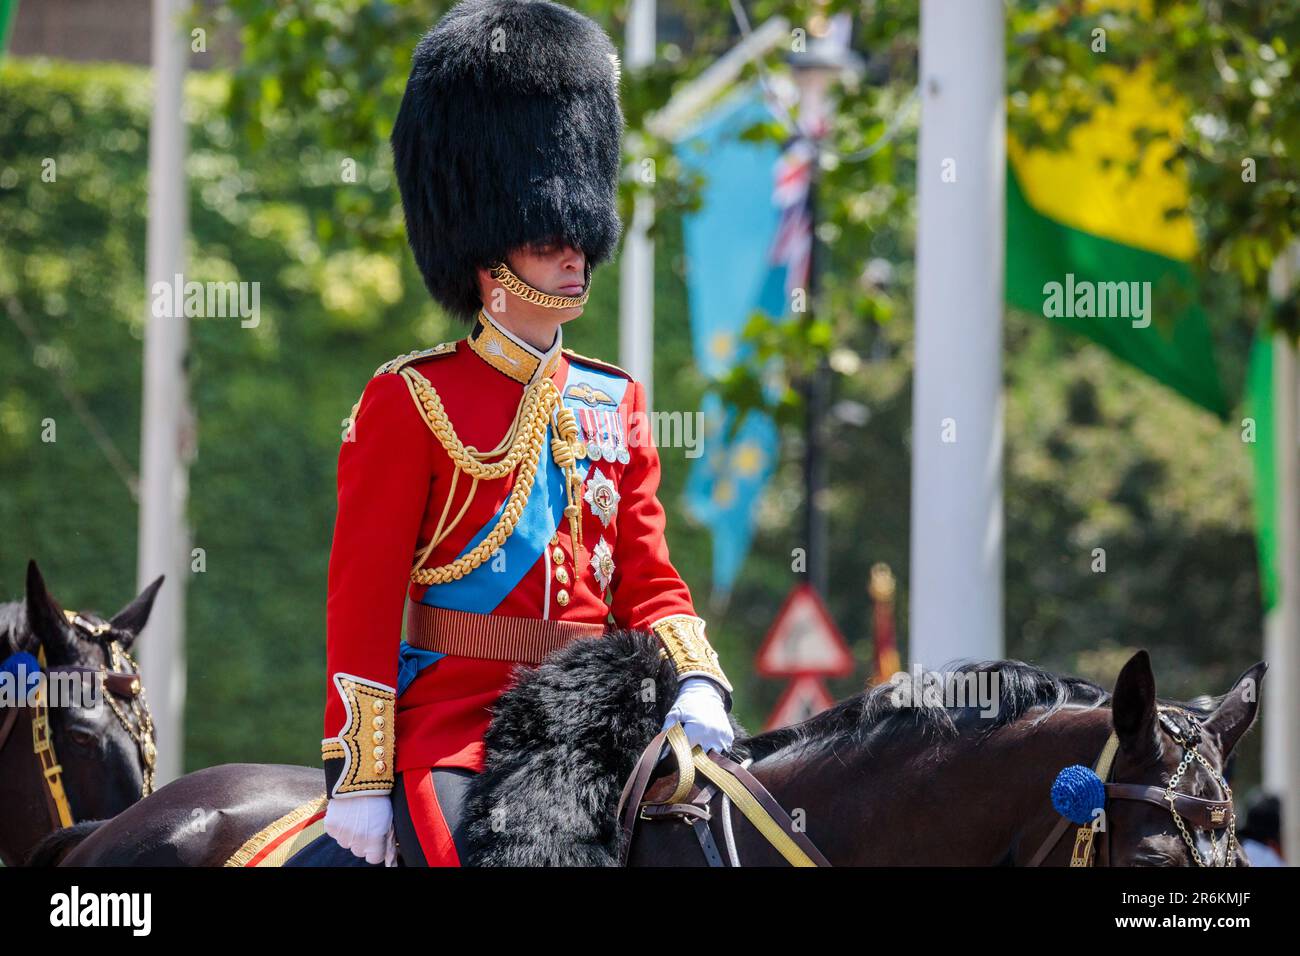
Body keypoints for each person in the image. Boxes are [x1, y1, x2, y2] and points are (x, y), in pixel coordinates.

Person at [318, 0, 734, 867]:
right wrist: (358, 775)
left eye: (581, 237)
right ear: (488, 254)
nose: (576, 257)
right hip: (461, 725)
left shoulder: (613, 398)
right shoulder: (410, 399)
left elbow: (650, 579)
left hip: (604, 721)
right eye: (551, 241)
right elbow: (362, 602)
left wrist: (694, 672)